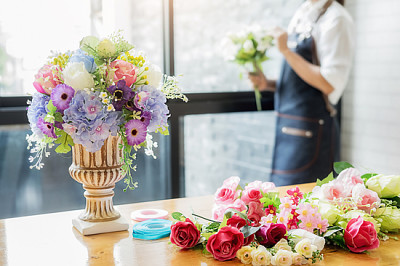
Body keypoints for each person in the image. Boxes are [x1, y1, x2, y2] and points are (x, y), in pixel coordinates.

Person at [249, 0, 354, 186]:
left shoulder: (336, 19)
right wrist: (268, 84)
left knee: (306, 205)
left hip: (312, 136)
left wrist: (286, 51)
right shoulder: (304, 10)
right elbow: (301, 77)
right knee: (281, 202)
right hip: (287, 130)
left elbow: (329, 83)